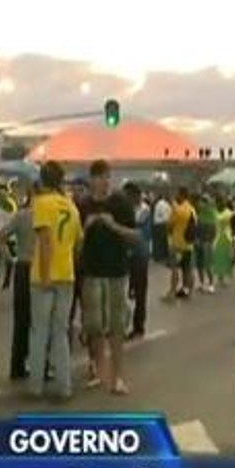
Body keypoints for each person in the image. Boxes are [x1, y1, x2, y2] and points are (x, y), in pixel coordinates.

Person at [77, 160, 140, 395]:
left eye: (107, 177)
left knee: (116, 327)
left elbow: (135, 237)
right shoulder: (82, 205)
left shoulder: (120, 204)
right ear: (91, 179)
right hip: (91, 272)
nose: (104, 182)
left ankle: (118, 376)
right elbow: (75, 243)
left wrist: (114, 226)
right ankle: (97, 368)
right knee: (93, 326)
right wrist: (86, 227)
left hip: (116, 272)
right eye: (100, 177)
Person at [26, 161, 82, 400]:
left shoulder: (41, 204)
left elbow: (46, 240)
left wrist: (46, 274)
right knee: (61, 331)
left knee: (40, 331)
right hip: (67, 274)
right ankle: (64, 385)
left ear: (42, 179)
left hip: (44, 276)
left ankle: (36, 385)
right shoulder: (71, 206)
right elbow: (79, 240)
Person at [0, 182, 37, 379]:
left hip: (22, 266)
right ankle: (41, 365)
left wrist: (9, 258)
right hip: (42, 269)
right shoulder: (48, 214)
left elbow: (1, 236)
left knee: (21, 320)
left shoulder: (21, 215)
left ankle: (17, 365)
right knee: (41, 320)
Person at [124, 182, 152, 341]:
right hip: (128, 254)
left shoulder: (144, 210)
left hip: (140, 255)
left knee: (140, 292)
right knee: (126, 291)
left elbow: (138, 231)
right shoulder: (130, 209)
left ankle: (138, 326)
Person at [164, 187, 197, 300]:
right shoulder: (192, 209)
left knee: (175, 268)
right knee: (187, 269)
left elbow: (169, 225)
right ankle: (188, 290)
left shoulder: (178, 209)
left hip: (178, 244)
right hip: (189, 244)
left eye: (177, 194)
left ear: (181, 195)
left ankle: (172, 292)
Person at [193, 192, 218, 294]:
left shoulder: (211, 215)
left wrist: (209, 242)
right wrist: (196, 239)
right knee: (199, 264)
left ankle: (211, 284)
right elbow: (197, 228)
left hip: (207, 242)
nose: (200, 204)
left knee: (207, 264)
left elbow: (213, 231)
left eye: (203, 202)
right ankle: (201, 283)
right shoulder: (199, 214)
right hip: (199, 241)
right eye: (200, 201)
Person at [212, 196, 235, 287]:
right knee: (219, 258)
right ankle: (220, 278)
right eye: (217, 202)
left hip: (226, 236)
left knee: (227, 257)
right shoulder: (214, 212)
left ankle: (226, 275)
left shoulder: (229, 213)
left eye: (221, 202)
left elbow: (234, 223)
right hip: (217, 236)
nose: (219, 204)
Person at [151, 191, 172, 266]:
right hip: (162, 224)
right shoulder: (164, 204)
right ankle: (160, 257)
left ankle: (157, 256)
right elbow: (166, 216)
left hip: (157, 223)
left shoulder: (159, 203)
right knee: (161, 241)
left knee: (157, 241)